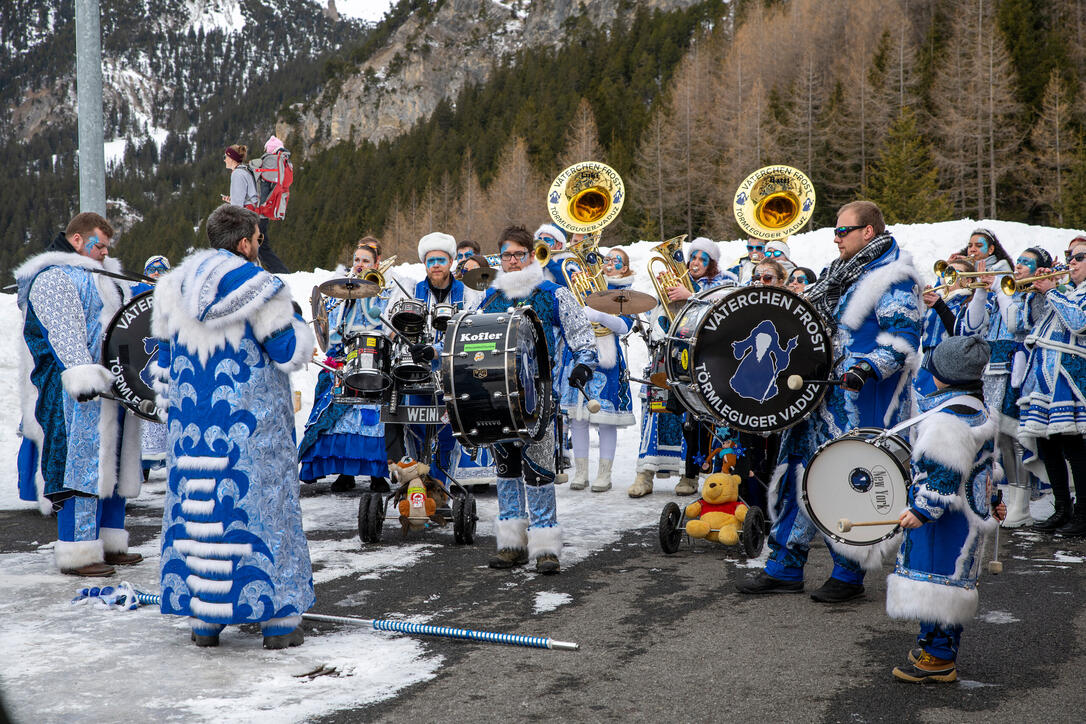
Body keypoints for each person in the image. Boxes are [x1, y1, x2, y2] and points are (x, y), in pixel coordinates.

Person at [737, 200, 922, 602]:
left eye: (843, 231)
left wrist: (867, 367)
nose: (835, 238)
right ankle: (784, 566)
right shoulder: (839, 274)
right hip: (818, 392)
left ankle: (848, 572)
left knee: (848, 481)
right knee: (799, 475)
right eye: (834, 232)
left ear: (867, 232)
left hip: (861, 396)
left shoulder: (894, 276)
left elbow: (904, 339)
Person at [151, 203, 314, 649]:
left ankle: (206, 619)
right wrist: (298, 320)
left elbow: (163, 367)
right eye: (259, 239)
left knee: (201, 511)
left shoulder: (171, 287)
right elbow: (288, 353)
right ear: (246, 242)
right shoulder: (262, 287)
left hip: (191, 434)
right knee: (260, 510)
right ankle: (278, 619)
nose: (260, 247)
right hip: (250, 433)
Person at [14, 212, 144, 576]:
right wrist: (83, 375)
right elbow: (64, 332)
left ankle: (109, 543)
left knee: (112, 464)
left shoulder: (106, 278)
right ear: (77, 240)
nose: (103, 252)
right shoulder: (54, 278)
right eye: (97, 244)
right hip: (72, 389)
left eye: (105, 246)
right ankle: (79, 551)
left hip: (113, 386)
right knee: (80, 465)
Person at [479, 225, 598, 573]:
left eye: (519, 254)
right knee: (506, 470)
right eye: (506, 255)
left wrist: (583, 366)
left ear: (531, 256)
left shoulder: (553, 294)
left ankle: (546, 547)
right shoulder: (491, 298)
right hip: (498, 398)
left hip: (540, 399)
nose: (512, 261)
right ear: (499, 258)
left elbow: (582, 335)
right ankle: (512, 544)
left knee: (539, 471)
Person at [886, 334, 1003, 683]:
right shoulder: (979, 410)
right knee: (951, 586)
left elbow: (943, 477)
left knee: (936, 588)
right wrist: (995, 500)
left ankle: (937, 658)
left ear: (943, 375)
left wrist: (922, 511)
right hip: (969, 517)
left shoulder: (945, 423)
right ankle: (935, 646)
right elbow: (988, 466)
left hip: (943, 523)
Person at [957, 245, 1052, 528]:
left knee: (1020, 438)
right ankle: (1012, 501)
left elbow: (1015, 324)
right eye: (1019, 261)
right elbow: (973, 327)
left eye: (1026, 262)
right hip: (992, 371)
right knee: (1003, 441)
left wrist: (1000, 289)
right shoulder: (1005, 292)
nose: (1019, 265)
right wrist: (983, 291)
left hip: (1016, 370)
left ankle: (1022, 504)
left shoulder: (1027, 295)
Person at [298, 238, 392, 494]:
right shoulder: (341, 287)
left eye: (366, 261)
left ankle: (376, 474)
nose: (360, 265)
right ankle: (344, 471)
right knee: (337, 411)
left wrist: (368, 294)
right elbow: (329, 327)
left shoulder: (386, 286)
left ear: (377, 263)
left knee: (372, 419)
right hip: (344, 357)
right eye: (357, 260)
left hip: (374, 356)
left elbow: (382, 320)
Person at [388, 232, 482, 483]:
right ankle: (415, 488)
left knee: (448, 434)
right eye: (431, 261)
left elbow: (471, 334)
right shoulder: (412, 292)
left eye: (441, 260)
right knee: (415, 429)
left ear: (451, 262)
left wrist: (437, 350)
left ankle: (441, 488)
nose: (436, 265)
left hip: (454, 376)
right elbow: (397, 330)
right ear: (425, 265)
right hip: (418, 376)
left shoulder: (469, 294)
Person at [1017, 238, 1086, 535]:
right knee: (1047, 443)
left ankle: (1083, 514)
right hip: (1044, 377)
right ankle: (1062, 508)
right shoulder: (1067, 291)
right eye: (1070, 256)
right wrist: (1039, 293)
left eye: (1079, 257)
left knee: (1073, 446)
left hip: (1068, 378)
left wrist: (1053, 291)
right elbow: (1028, 322)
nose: (1071, 261)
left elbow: (1078, 322)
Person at [662, 236, 736, 496]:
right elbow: (668, 322)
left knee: (719, 418)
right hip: (688, 356)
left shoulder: (726, 281)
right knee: (690, 419)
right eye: (692, 257)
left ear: (712, 262)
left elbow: (725, 308)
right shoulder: (684, 282)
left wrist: (690, 296)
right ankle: (690, 474)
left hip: (717, 357)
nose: (694, 263)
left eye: (701, 259)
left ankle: (721, 473)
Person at [562, 247, 636, 492]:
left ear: (624, 268)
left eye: (616, 261)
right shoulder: (587, 283)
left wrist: (600, 316)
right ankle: (581, 473)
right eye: (607, 259)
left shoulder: (625, 292)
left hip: (607, 361)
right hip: (579, 354)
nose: (609, 263)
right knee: (578, 418)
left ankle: (604, 474)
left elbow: (625, 326)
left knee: (605, 420)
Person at [914, 258, 977, 398]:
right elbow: (917, 331)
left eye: (954, 272)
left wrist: (939, 306)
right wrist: (919, 305)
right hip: (926, 366)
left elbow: (962, 335)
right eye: (947, 272)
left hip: (949, 370)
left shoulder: (971, 304)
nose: (948, 276)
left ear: (969, 281)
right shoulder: (939, 301)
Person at [222, 143, 288, 273]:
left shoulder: (237, 174)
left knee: (244, 249)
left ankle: (282, 275)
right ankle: (278, 274)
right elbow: (248, 196)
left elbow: (237, 205)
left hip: (251, 219)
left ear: (232, 158)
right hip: (259, 215)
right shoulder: (246, 170)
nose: (224, 159)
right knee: (259, 249)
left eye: (226, 157)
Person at [134, 255, 171, 478]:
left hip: (165, 359)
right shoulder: (136, 292)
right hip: (143, 359)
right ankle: (142, 469)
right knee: (143, 411)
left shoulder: (172, 293)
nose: (156, 274)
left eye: (160, 270)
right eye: (152, 270)